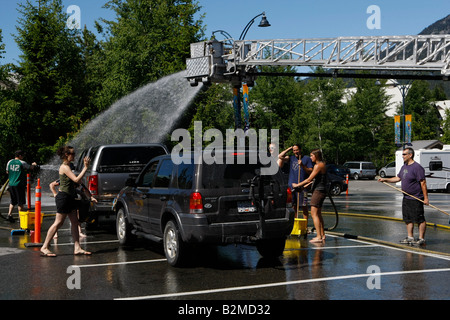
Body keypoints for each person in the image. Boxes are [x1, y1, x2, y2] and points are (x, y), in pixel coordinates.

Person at [40, 146, 92, 257]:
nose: (74, 155)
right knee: (58, 223)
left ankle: (77, 248)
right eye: (72, 153)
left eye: (74, 153)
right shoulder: (64, 167)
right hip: (63, 198)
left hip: (70, 197)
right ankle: (44, 247)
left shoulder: (69, 166)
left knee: (75, 222)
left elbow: (76, 183)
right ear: (66, 155)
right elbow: (76, 180)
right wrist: (85, 167)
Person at [378, 147, 428, 246]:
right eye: (402, 154)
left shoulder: (417, 167)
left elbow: (423, 183)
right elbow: (398, 178)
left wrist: (426, 198)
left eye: (404, 154)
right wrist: (385, 180)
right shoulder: (404, 166)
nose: (402, 156)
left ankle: (421, 239)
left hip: (416, 197)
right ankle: (410, 237)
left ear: (410, 155)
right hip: (406, 198)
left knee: (419, 219)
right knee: (408, 218)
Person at [292, 149, 327, 243]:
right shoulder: (321, 164)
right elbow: (313, 181)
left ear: (316, 156)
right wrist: (303, 188)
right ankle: (322, 235)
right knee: (318, 214)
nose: (310, 157)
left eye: (312, 156)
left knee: (314, 213)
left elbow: (309, 179)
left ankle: (319, 236)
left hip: (319, 191)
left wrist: (297, 185)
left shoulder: (318, 165)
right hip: (320, 190)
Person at [279, 144, 313, 220]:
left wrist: (303, 165)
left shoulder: (306, 159)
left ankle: (305, 226)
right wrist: (289, 148)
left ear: (300, 149)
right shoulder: (291, 158)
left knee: (304, 206)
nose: (295, 152)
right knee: (293, 206)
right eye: (294, 150)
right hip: (292, 186)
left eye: (297, 150)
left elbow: (310, 171)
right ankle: (294, 223)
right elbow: (280, 156)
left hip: (303, 187)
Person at [5, 150, 37, 222]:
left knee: (13, 201)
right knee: (20, 202)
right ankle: (20, 218)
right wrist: (34, 165)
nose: (23, 157)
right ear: (19, 156)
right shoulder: (22, 163)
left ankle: (9, 215)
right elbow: (31, 168)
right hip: (19, 184)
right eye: (22, 155)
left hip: (11, 184)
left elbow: (7, 172)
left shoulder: (9, 162)